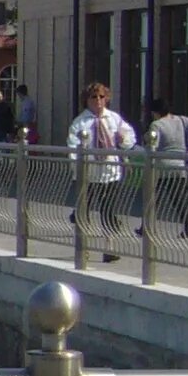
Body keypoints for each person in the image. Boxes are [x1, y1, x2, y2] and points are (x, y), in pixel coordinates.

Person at [66, 81, 137, 262]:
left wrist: (124, 140)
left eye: (101, 97)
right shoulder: (80, 122)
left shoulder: (114, 118)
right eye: (94, 97)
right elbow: (72, 146)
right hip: (89, 174)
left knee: (109, 210)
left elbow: (129, 139)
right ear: (87, 100)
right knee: (85, 211)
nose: (98, 101)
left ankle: (109, 247)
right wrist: (78, 168)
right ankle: (84, 247)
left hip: (109, 172)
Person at [144, 97, 188, 237]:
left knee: (152, 198)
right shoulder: (182, 120)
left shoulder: (156, 125)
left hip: (162, 167)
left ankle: (146, 227)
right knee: (179, 199)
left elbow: (154, 144)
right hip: (179, 165)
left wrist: (146, 143)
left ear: (155, 112)